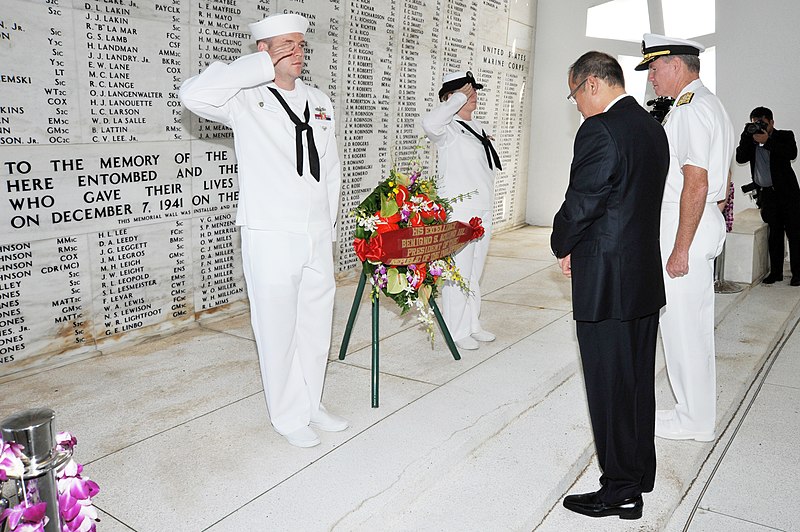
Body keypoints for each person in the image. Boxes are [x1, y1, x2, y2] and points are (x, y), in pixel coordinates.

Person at [179, 13, 347, 448]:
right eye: (285, 45)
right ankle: (288, 415)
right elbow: (192, 94)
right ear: (263, 51)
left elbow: (330, 169)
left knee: (315, 322)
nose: (297, 52)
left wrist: (327, 228)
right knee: (276, 327)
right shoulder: (244, 97)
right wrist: (258, 68)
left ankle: (312, 402)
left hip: (314, 232)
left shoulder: (321, 99)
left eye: (300, 44)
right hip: (270, 231)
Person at [552, 51, 669, 520]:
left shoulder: (599, 129)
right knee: (638, 380)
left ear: (592, 85)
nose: (577, 105)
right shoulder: (651, 127)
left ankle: (620, 488)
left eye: (575, 94)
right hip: (641, 277)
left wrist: (563, 243)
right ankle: (639, 472)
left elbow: (583, 201)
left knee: (608, 385)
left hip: (607, 283)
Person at [636, 33, 736, 442]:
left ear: (676, 65)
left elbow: (696, 181)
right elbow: (722, 179)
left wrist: (680, 248)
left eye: (655, 69)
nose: (652, 79)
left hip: (686, 227)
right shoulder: (708, 103)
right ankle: (693, 412)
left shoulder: (691, 109)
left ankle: (692, 420)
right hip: (696, 222)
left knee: (682, 328)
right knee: (688, 325)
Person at [422, 71, 499, 351]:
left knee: (474, 272)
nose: (473, 94)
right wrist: (456, 97)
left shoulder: (477, 127)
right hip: (460, 210)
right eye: (467, 92)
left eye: (473, 90)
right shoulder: (448, 131)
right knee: (458, 272)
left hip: (483, 208)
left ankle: (472, 324)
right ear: (451, 98)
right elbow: (429, 122)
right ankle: (456, 330)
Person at [735, 107, 800, 285]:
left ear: (772, 122)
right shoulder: (751, 140)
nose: (759, 126)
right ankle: (776, 272)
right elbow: (740, 158)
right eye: (756, 123)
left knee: (794, 234)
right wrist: (747, 136)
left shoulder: (785, 136)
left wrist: (767, 141)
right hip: (768, 195)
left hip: (788, 194)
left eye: (763, 123)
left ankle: (798, 274)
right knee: (775, 234)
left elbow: (791, 154)